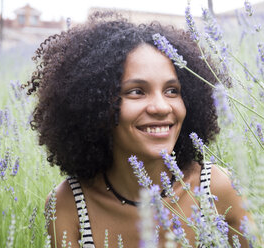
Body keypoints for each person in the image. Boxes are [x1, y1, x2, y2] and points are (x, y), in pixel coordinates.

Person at [24, 12, 248, 247]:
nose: (161, 107)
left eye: (172, 90)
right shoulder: (67, 206)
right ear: (95, 105)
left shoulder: (216, 189)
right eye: (136, 91)